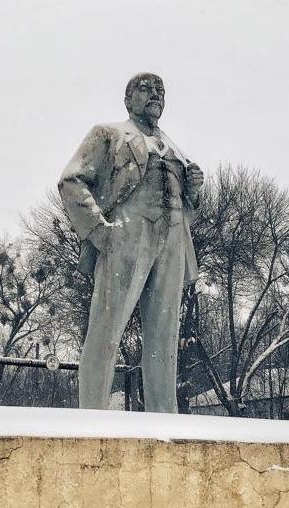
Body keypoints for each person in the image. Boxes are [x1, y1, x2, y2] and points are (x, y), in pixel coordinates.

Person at [58, 73, 204, 413]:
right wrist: (99, 229)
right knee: (106, 330)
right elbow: (70, 180)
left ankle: (163, 418)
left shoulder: (176, 150)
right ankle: (92, 416)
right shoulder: (108, 134)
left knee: (164, 338)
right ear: (128, 100)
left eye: (161, 90)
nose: (155, 94)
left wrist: (194, 190)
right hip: (126, 234)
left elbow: (186, 208)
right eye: (146, 88)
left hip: (172, 241)